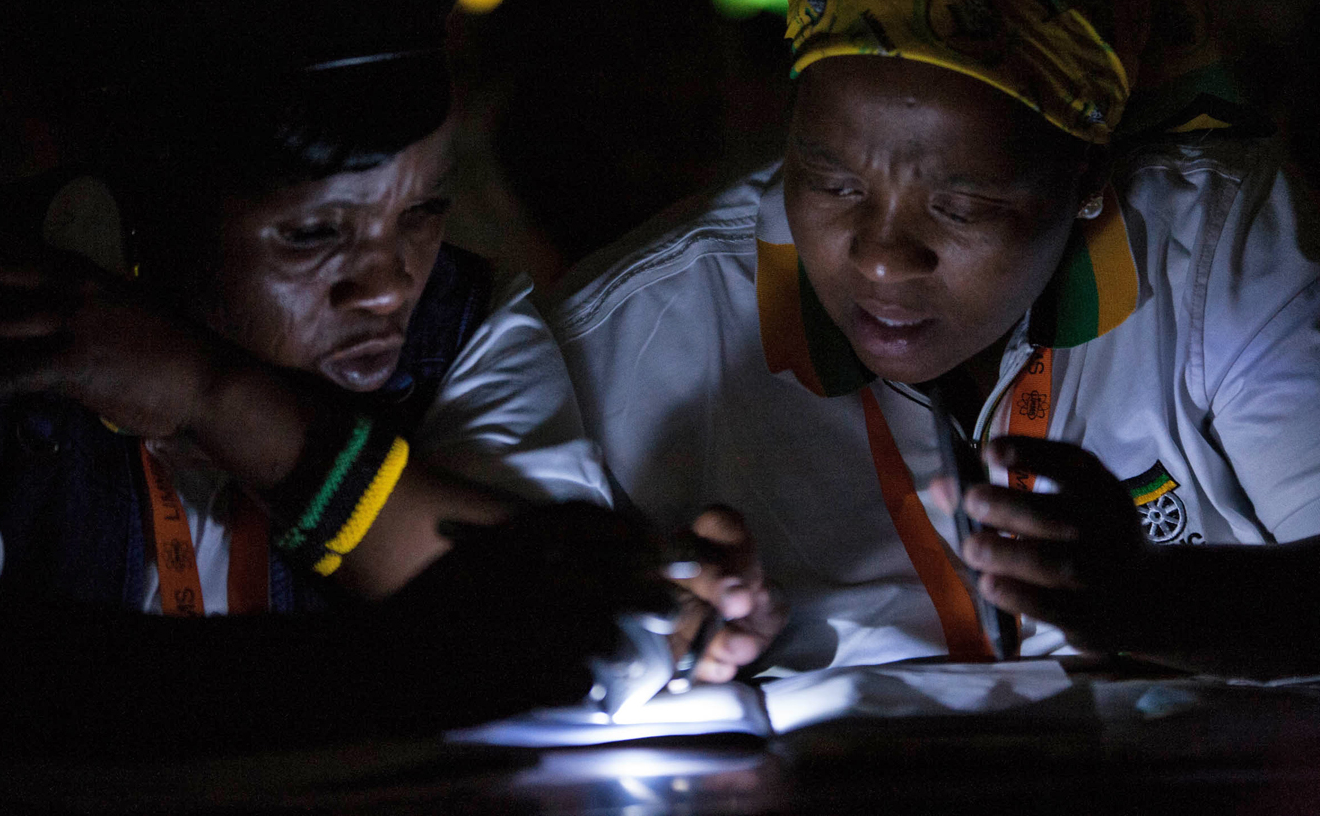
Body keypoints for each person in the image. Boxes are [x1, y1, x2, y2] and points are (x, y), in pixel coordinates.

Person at [0, 0, 704, 756]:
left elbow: (578, 626)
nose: (391, 286)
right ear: (130, 211)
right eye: (315, 232)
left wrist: (213, 393)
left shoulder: (464, 320)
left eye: (422, 212)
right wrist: (400, 667)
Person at [551, 0, 1320, 680]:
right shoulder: (629, 337)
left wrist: (1152, 601)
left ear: (1088, 172)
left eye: (959, 206)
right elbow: (487, 638)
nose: (882, 256)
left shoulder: (1222, 252)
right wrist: (650, 632)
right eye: (834, 183)